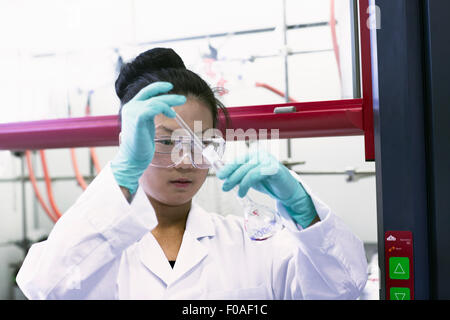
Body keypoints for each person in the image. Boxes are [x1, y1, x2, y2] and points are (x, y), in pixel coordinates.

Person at [16, 48, 368, 300]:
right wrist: (123, 175)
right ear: (130, 144)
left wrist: (302, 208)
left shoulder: (252, 244)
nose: (185, 161)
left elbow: (343, 288)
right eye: (166, 141)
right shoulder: (94, 247)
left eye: (202, 142)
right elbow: (46, 288)